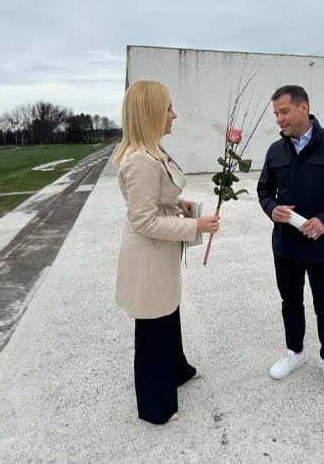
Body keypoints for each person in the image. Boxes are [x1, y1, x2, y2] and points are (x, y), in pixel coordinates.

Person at [112, 80, 220, 424]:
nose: (174, 115)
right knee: (153, 329)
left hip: (159, 253)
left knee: (167, 314)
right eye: (168, 108)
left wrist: (178, 203)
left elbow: (157, 199)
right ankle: (155, 407)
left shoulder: (153, 152)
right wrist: (194, 226)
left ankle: (177, 370)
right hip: (148, 257)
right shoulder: (141, 160)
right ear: (151, 113)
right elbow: (143, 220)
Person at [257, 85, 324, 396]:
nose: (279, 119)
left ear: (303, 107)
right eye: (276, 113)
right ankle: (294, 352)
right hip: (285, 246)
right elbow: (264, 190)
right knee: (290, 302)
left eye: (284, 111)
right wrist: (272, 209)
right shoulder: (275, 151)